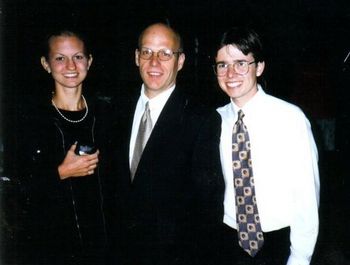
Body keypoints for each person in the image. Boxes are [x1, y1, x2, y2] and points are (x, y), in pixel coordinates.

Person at [108, 22, 224, 265]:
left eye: (165, 53)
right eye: (147, 52)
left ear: (180, 61)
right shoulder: (115, 110)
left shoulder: (201, 119)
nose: (154, 62)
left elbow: (207, 209)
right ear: (136, 57)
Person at [212, 27, 320, 265]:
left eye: (241, 63)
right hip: (227, 239)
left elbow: (307, 196)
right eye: (222, 65)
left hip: (277, 243)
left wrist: (300, 257)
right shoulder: (213, 121)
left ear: (259, 67)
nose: (231, 73)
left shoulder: (290, 118)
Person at [18, 30, 110, 265]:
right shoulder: (30, 119)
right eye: (59, 58)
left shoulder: (108, 114)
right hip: (51, 248)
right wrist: (61, 172)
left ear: (89, 61)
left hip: (104, 246)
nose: (70, 65)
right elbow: (15, 189)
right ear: (45, 64)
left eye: (78, 57)